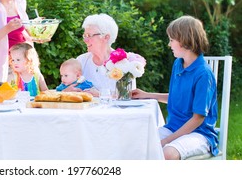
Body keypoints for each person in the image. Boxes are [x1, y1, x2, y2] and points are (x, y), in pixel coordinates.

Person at [131, 15, 218, 160]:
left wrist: (166, 141)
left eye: (171, 40)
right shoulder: (178, 64)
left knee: (166, 153)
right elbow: (177, 98)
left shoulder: (204, 74)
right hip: (174, 127)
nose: (169, 44)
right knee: (137, 144)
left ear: (185, 41)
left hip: (199, 133)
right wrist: (146, 94)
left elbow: (198, 118)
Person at [76, 13, 121, 97]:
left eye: (89, 35)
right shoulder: (81, 61)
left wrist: (100, 94)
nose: (85, 40)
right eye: (85, 35)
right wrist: (67, 90)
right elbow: (69, 86)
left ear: (106, 37)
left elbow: (128, 95)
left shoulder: (123, 62)